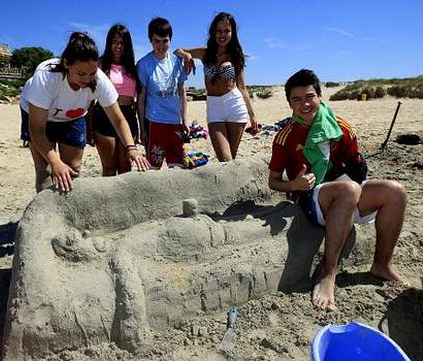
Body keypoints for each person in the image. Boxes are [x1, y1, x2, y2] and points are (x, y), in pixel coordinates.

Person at [268, 69, 406, 311]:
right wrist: (293, 185)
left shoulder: (340, 127)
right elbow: (274, 181)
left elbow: (357, 167)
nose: (304, 104)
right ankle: (328, 272)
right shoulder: (285, 136)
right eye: (296, 100)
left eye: (309, 96)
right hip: (312, 198)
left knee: (395, 191)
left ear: (320, 96)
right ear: (289, 103)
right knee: (349, 190)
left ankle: (381, 265)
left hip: (346, 191)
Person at [20, 32, 149, 192]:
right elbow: (37, 130)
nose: (87, 79)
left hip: (73, 117)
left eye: (92, 73)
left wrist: (132, 149)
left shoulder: (100, 80)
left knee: (72, 168)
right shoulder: (46, 78)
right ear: (67, 63)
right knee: (46, 171)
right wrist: (55, 162)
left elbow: (118, 119)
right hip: (40, 117)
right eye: (81, 74)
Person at [174, 12, 258, 162]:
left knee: (230, 160)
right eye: (219, 31)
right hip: (214, 108)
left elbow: (242, 88)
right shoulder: (205, 53)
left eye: (227, 31)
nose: (222, 34)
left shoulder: (236, 56)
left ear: (232, 32)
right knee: (225, 159)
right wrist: (188, 56)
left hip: (235, 106)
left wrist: (253, 116)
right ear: (213, 32)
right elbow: (177, 51)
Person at [137, 17, 188, 169]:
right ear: (150, 40)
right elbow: (141, 98)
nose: (161, 45)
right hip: (154, 123)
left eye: (165, 41)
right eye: (156, 41)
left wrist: (184, 120)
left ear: (170, 40)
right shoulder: (144, 64)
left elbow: (182, 94)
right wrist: (142, 129)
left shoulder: (177, 62)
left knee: (178, 168)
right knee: (153, 169)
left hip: (174, 123)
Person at [91, 24, 140, 176]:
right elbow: (89, 99)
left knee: (126, 166)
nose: (118, 46)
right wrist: (89, 126)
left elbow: (139, 99)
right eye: (114, 41)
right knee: (109, 167)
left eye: (122, 42)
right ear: (108, 42)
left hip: (129, 115)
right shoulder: (98, 65)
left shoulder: (133, 67)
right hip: (104, 115)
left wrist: (142, 127)